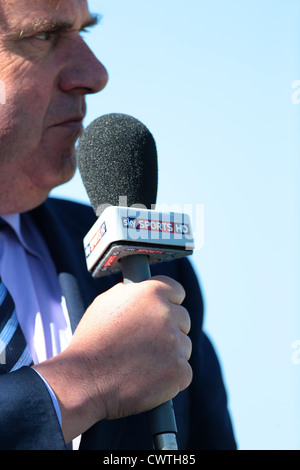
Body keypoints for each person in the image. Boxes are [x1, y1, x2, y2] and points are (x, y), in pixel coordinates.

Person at [0, 0, 236, 450]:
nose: (95, 73)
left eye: (84, 33)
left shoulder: (149, 272)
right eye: (43, 36)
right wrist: (82, 382)